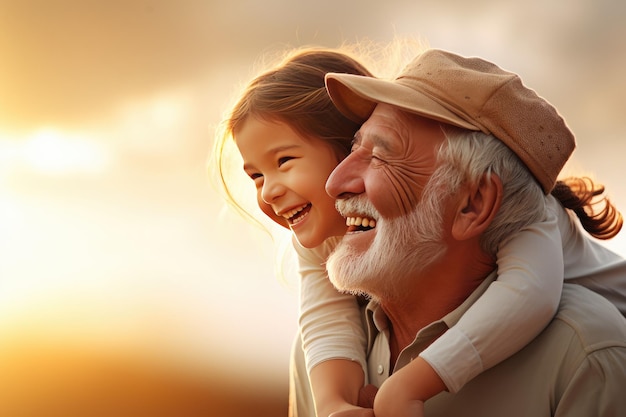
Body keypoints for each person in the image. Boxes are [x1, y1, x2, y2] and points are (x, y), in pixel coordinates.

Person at [319, 48, 626, 416]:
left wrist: (404, 390)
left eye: (381, 156)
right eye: (355, 147)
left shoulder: (587, 357)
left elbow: (532, 293)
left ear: (474, 203)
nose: (334, 183)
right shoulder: (334, 353)